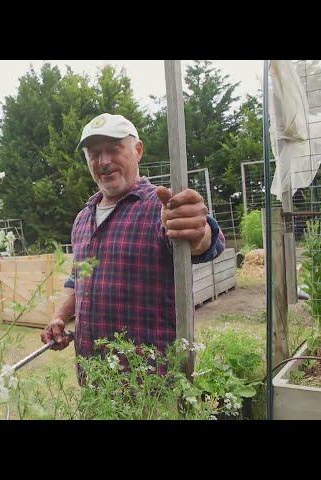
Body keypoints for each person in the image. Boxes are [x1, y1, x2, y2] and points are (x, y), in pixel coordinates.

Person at [40, 113, 225, 383]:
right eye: (94, 154)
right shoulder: (83, 218)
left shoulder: (159, 206)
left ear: (137, 151)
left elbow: (207, 242)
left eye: (114, 150)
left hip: (149, 385)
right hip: (93, 379)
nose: (104, 162)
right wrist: (59, 317)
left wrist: (199, 232)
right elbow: (77, 279)